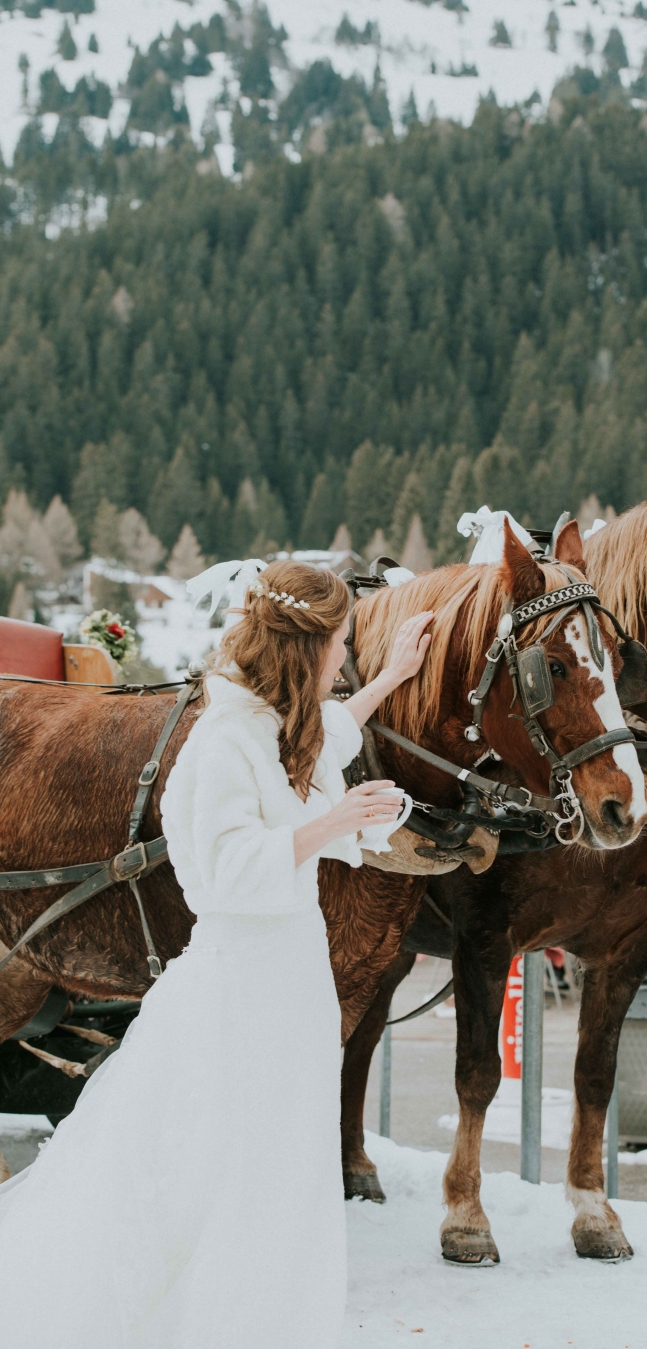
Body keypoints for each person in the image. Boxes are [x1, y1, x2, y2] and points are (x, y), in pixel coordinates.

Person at [0, 559, 433, 1349]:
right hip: (241, 991)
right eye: (339, 645)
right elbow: (230, 873)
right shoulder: (221, 743)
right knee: (226, 1174)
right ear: (305, 651)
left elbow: (324, 737)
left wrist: (393, 677)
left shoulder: (267, 727)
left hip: (286, 981)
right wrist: (339, 825)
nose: (344, 661)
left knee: (273, 1170)